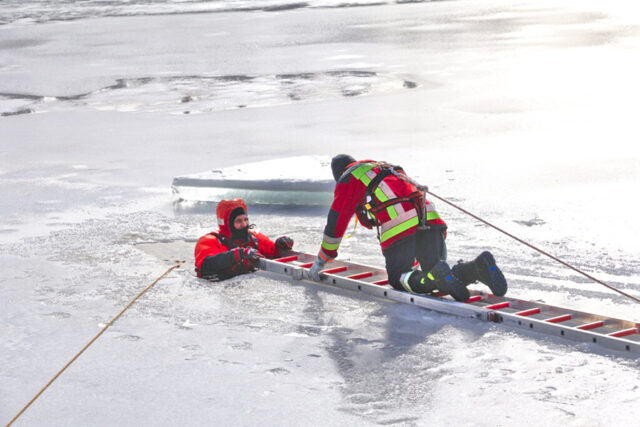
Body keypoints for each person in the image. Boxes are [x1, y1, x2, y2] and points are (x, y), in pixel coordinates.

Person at [308, 154, 507, 302]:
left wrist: (322, 259)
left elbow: (336, 222)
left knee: (399, 278)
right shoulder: (384, 167)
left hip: (400, 224)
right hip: (430, 217)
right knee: (434, 273)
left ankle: (436, 273)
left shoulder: (348, 178)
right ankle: (477, 267)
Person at [195, 198, 294, 281]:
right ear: (227, 224)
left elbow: (272, 252)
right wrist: (238, 254)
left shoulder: (252, 237)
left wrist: (281, 245)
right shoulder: (209, 241)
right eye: (238, 221)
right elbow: (206, 265)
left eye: (245, 219)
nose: (244, 225)